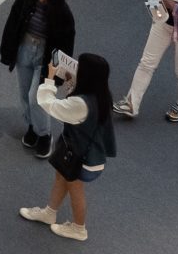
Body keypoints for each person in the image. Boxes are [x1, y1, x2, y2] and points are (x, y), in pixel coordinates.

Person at [21, 51, 115, 241]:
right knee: (61, 178)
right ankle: (50, 212)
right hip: (84, 154)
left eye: (79, 67)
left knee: (75, 191)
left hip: (81, 159)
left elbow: (49, 105)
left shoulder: (81, 104)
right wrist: (72, 84)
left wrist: (49, 79)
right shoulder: (101, 95)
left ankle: (79, 229)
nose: (76, 68)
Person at [0, 0, 76, 156]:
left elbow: (66, 43)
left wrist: (59, 72)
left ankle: (45, 134)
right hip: (24, 50)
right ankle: (32, 128)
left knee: (37, 98)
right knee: (25, 94)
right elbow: (12, 25)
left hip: (45, 56)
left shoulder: (63, 12)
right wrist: (8, 52)